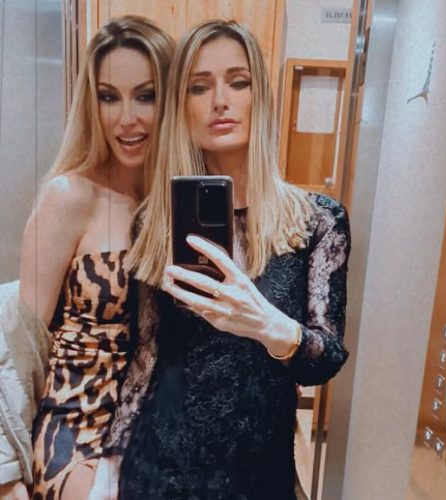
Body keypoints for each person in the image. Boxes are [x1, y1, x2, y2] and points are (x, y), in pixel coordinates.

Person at [99, 19, 350, 500]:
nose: (220, 100)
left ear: (261, 97)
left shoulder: (318, 221)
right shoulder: (157, 220)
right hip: (159, 470)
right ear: (183, 107)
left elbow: (325, 359)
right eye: (199, 87)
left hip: (258, 476)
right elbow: (147, 356)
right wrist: (108, 470)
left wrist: (266, 324)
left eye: (238, 82)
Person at [16, 15, 174, 500]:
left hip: (154, 438)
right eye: (109, 97)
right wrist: (6, 477)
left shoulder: (176, 203)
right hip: (77, 431)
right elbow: (18, 351)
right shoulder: (69, 197)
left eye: (145, 96)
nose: (126, 118)